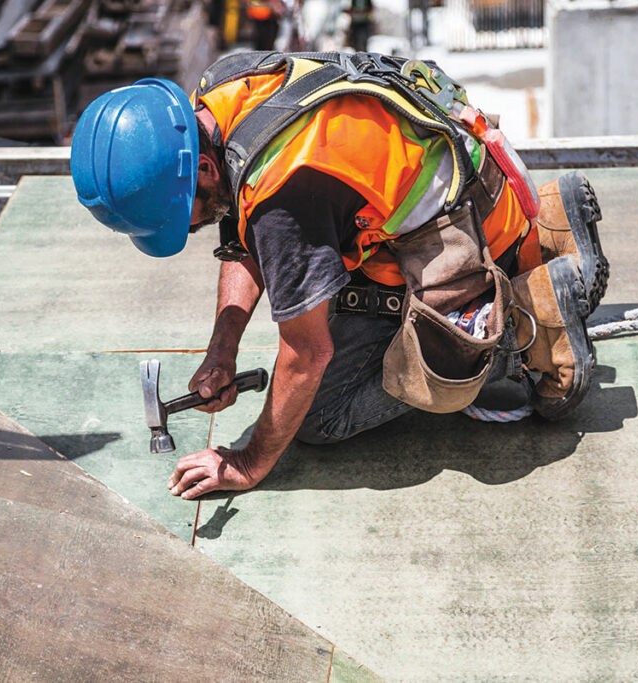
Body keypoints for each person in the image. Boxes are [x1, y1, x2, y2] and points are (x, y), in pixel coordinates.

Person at [70, 51, 609, 501]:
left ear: (204, 169)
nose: (185, 232)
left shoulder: (285, 194)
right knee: (314, 295)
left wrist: (249, 462)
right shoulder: (223, 92)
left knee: (321, 416)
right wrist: (222, 349)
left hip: (466, 240)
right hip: (476, 186)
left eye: (178, 218)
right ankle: (551, 226)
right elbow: (242, 233)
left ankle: (527, 321)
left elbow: (307, 354)